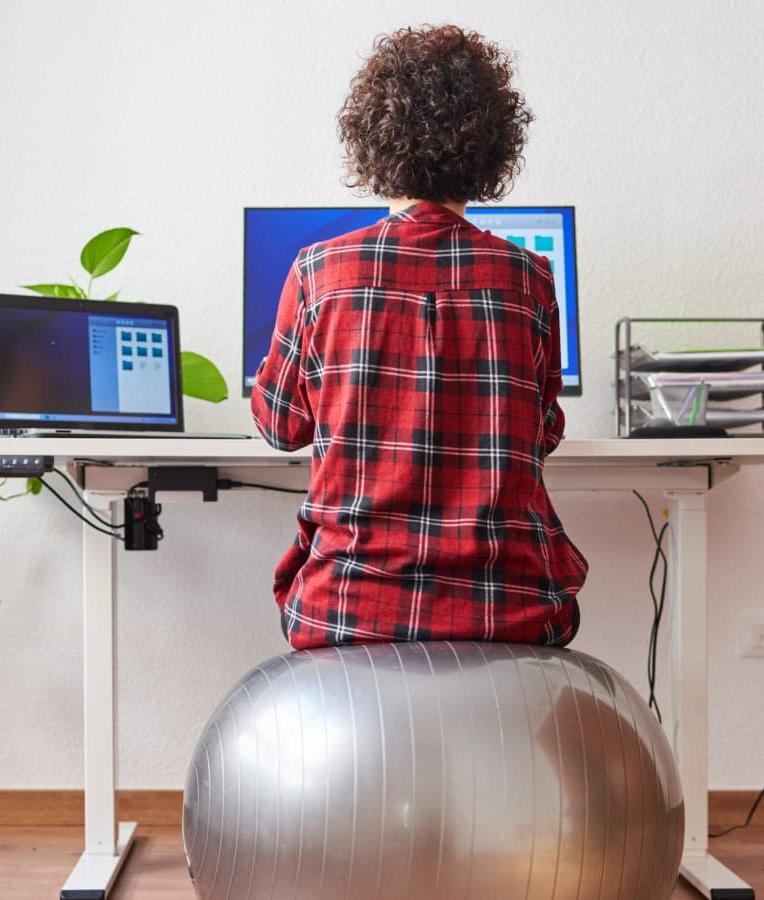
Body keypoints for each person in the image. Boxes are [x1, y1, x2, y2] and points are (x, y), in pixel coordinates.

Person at [250, 24, 587, 650]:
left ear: (372, 143)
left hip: (346, 609)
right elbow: (542, 431)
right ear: (492, 147)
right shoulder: (530, 279)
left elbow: (281, 426)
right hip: (508, 613)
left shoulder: (319, 271)